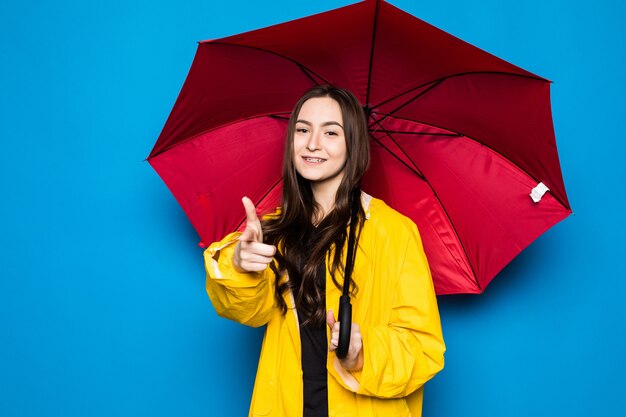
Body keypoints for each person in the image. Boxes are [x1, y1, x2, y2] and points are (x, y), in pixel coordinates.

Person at [204, 85, 445, 417]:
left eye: (331, 132)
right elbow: (250, 313)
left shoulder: (393, 232)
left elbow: (424, 348)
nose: (312, 143)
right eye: (302, 130)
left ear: (353, 144)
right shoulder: (271, 231)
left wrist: (362, 353)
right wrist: (240, 265)